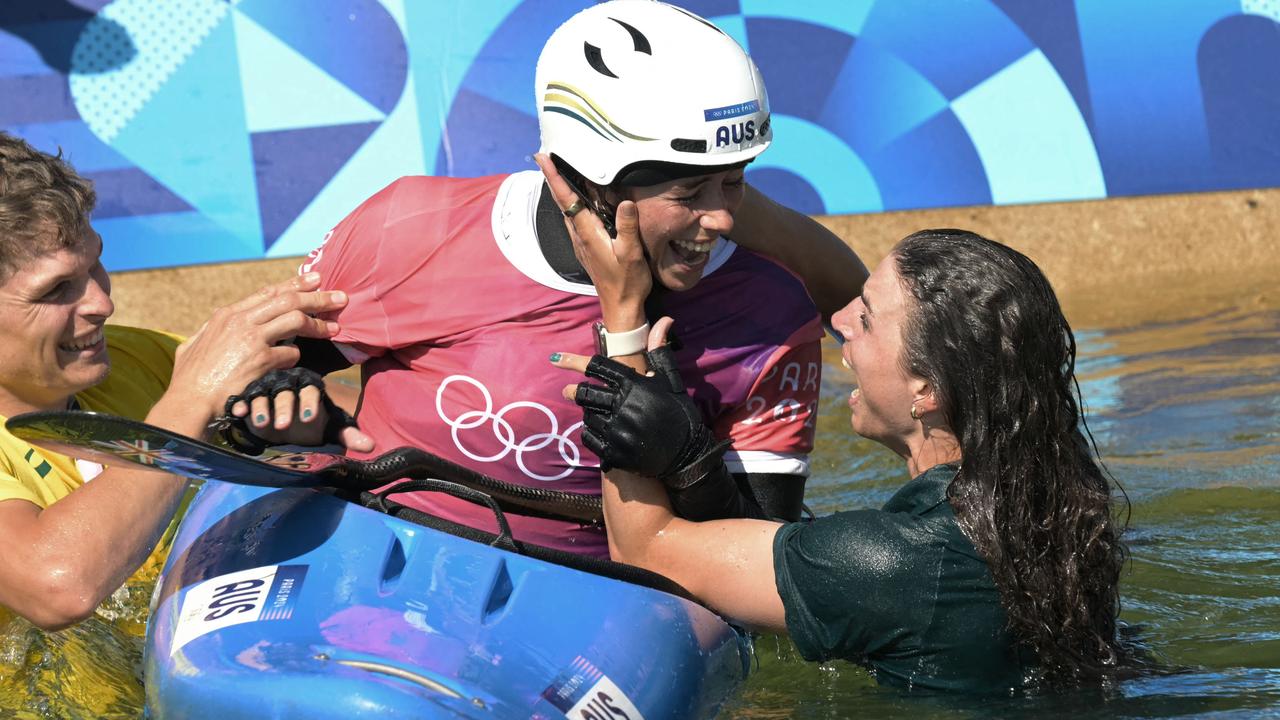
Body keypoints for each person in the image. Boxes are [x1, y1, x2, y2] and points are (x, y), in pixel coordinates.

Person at [246, 0, 868, 557]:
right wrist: (284, 396)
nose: (725, 217)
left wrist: (689, 464)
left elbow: (764, 570)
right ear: (592, 176)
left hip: (600, 614)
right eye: (689, 191)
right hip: (384, 551)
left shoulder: (770, 313)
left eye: (736, 179)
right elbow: (249, 379)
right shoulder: (411, 228)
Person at [553, 229, 1129, 692]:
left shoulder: (891, 560)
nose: (840, 319)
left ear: (927, 389)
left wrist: (624, 323)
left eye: (869, 317)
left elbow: (644, 552)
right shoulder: (1055, 502)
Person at [0, 131, 353, 715]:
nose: (101, 303)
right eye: (57, 289)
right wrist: (191, 400)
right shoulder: (174, 387)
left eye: (96, 263)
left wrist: (305, 422)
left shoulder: (136, 360)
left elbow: (358, 418)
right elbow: (59, 584)